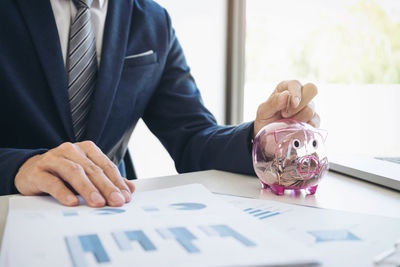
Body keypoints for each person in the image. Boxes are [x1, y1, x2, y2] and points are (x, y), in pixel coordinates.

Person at [0, 0, 319, 207]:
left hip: (115, 212)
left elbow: (193, 138)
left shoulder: (153, 20)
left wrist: (261, 138)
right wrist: (18, 167)